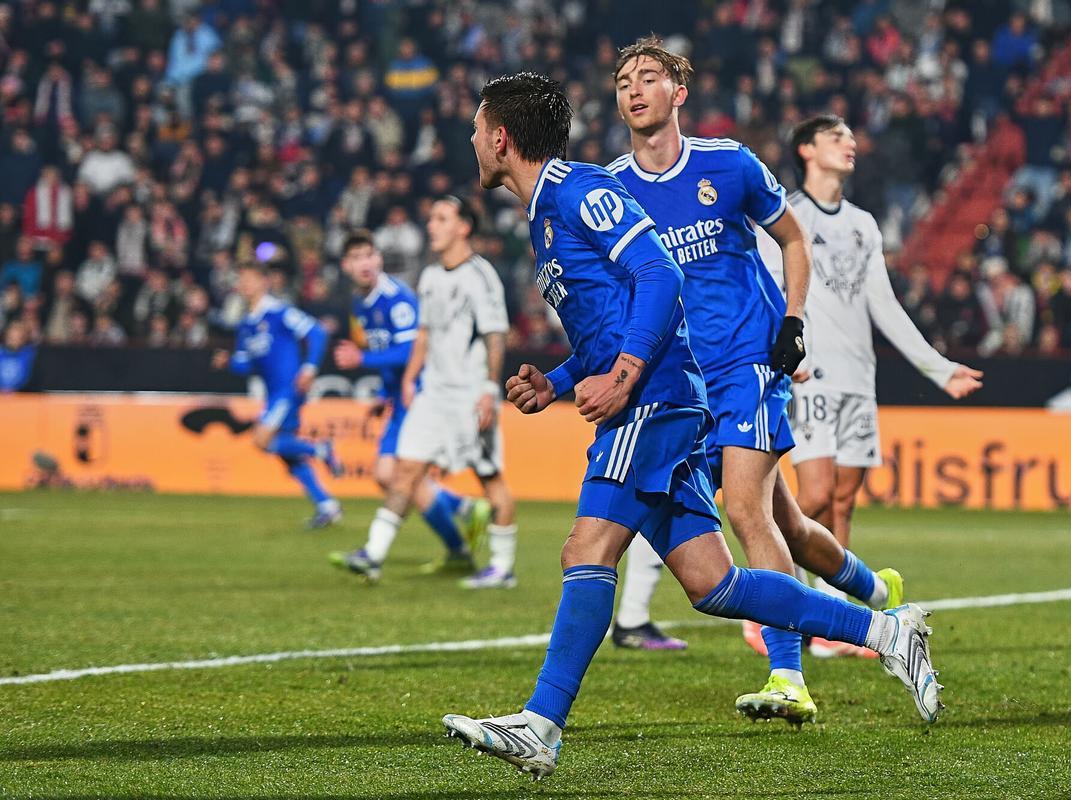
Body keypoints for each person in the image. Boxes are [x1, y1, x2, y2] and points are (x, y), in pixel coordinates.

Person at [441, 72, 941, 780]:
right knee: (712, 584)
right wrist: (551, 384)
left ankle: (542, 724)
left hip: (657, 396)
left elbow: (661, 276)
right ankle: (886, 630)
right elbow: (604, 325)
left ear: (500, 138)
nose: (470, 141)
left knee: (587, 549)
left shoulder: (581, 192)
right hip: (654, 392)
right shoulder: (547, 210)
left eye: (475, 128)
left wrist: (622, 376)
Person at [605, 38, 904, 724]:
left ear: (678, 93)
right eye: (624, 80)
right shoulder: (612, 187)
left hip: (748, 362)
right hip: (684, 379)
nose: (634, 89)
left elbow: (793, 239)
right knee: (787, 523)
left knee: (743, 511)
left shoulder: (728, 163)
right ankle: (877, 592)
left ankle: (788, 676)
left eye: (649, 77)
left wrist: (793, 323)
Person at [757, 114, 983, 656]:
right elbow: (766, 288)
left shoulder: (862, 224)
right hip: (812, 373)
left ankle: (831, 628)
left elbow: (884, 305)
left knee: (844, 499)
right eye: (837, 137)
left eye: (851, 138)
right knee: (809, 497)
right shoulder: (787, 217)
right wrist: (786, 354)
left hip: (860, 378)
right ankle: (773, 607)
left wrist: (937, 367)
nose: (850, 144)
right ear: (807, 149)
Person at [328, 231, 491, 583]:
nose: (364, 263)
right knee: (394, 477)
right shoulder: (360, 302)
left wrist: (362, 358)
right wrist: (385, 395)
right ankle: (460, 516)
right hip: (401, 399)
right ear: (346, 266)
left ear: (379, 259)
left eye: (369, 254)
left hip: (422, 396)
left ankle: (438, 545)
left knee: (394, 476)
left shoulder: (396, 299)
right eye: (356, 257)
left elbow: (413, 349)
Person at [402, 197, 519, 589]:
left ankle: (502, 568)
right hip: (438, 395)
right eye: (431, 217)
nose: (431, 225)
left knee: (490, 477)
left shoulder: (480, 275)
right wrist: (411, 377)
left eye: (441, 218)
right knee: (409, 468)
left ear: (463, 227)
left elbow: (495, 335)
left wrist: (489, 388)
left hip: (472, 396)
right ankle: (461, 544)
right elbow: (424, 335)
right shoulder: (431, 276)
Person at [211, 261, 344, 528]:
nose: (245, 284)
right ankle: (327, 505)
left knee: (262, 440)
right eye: (242, 279)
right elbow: (247, 365)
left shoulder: (279, 312)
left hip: (289, 390)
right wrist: (228, 363)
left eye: (251, 278)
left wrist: (309, 368)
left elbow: (317, 332)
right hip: (273, 394)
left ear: (264, 282)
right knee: (286, 453)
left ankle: (320, 449)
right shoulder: (246, 325)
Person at [0, 321, 35, 392]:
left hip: (21, 396)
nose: (14, 341)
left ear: (24, 338)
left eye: (18, 338)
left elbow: (29, 377)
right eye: (11, 338)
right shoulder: (1, 352)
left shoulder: (30, 354)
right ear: (6, 336)